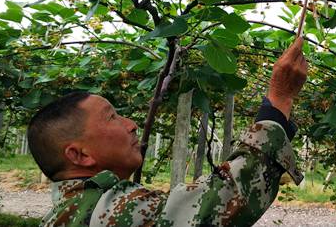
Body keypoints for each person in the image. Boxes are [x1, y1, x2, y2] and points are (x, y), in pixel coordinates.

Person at [27, 38, 308, 226]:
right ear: (79, 154)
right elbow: (215, 203)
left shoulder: (67, 212)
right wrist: (280, 98)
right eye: (111, 117)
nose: (131, 124)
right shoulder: (103, 212)